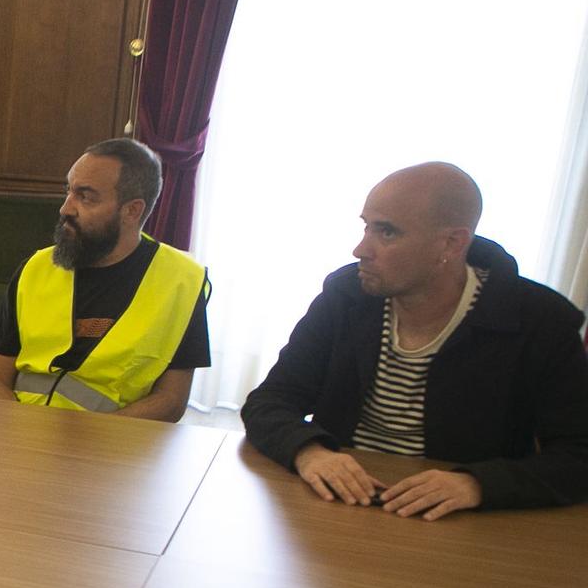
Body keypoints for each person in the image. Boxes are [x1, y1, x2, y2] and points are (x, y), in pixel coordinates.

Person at [241, 162, 588, 516]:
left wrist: (477, 483)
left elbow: (579, 456)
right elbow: (268, 403)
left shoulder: (541, 321)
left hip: (461, 521)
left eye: (387, 233)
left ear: (452, 243)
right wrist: (310, 452)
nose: (361, 249)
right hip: (340, 502)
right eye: (366, 227)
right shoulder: (345, 295)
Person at [0, 138, 210, 420]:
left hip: (110, 448)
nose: (66, 208)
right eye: (69, 191)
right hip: (19, 435)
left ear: (132, 211)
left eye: (85, 197)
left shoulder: (182, 282)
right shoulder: (36, 268)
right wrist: (18, 431)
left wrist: (92, 442)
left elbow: (171, 401)